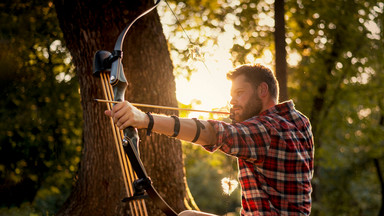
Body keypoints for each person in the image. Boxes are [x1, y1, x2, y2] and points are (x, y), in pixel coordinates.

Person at [105, 64, 314, 216]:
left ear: (262, 90)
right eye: (232, 95)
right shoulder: (298, 121)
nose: (232, 101)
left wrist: (144, 119)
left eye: (239, 93)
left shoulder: (268, 130)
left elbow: (212, 133)